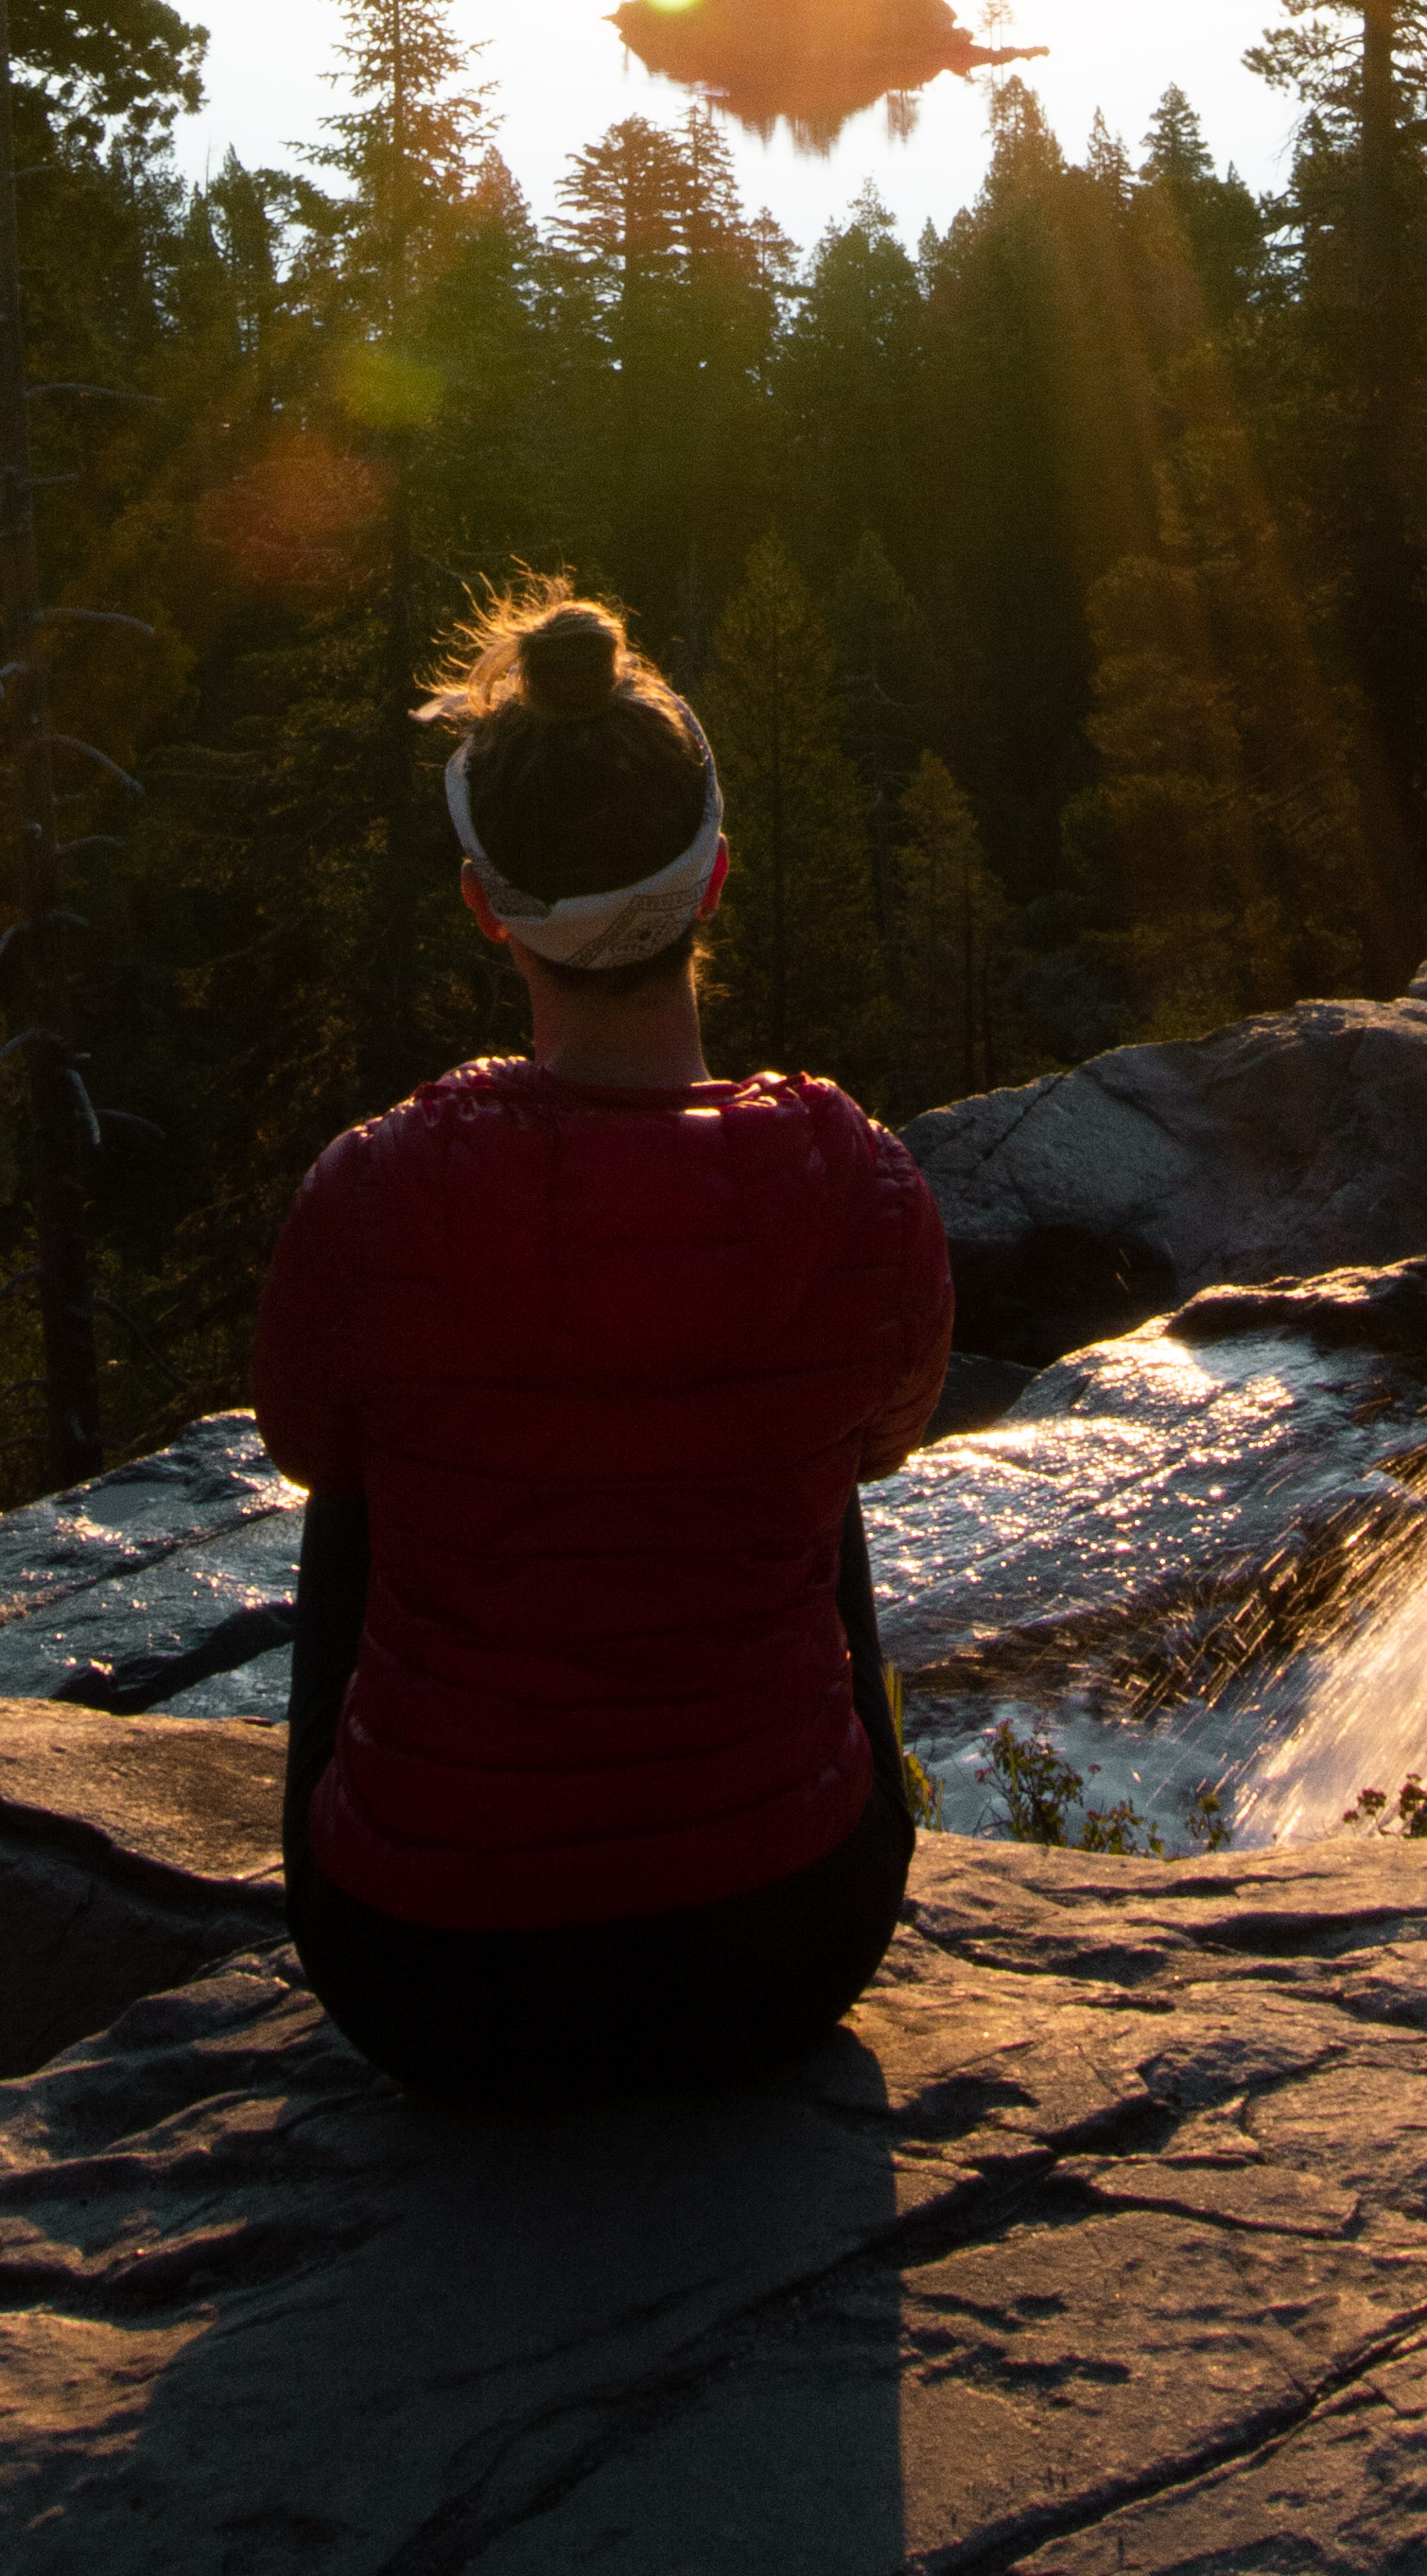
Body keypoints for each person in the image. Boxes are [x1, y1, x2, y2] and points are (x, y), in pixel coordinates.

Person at [254, 580, 954, 2107]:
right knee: (813, 1458)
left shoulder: (373, 1193)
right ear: (712, 888)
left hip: (429, 1978)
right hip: (792, 1942)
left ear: (484, 905)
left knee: (358, 1477)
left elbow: (308, 1450)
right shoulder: (863, 1188)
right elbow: (891, 1442)